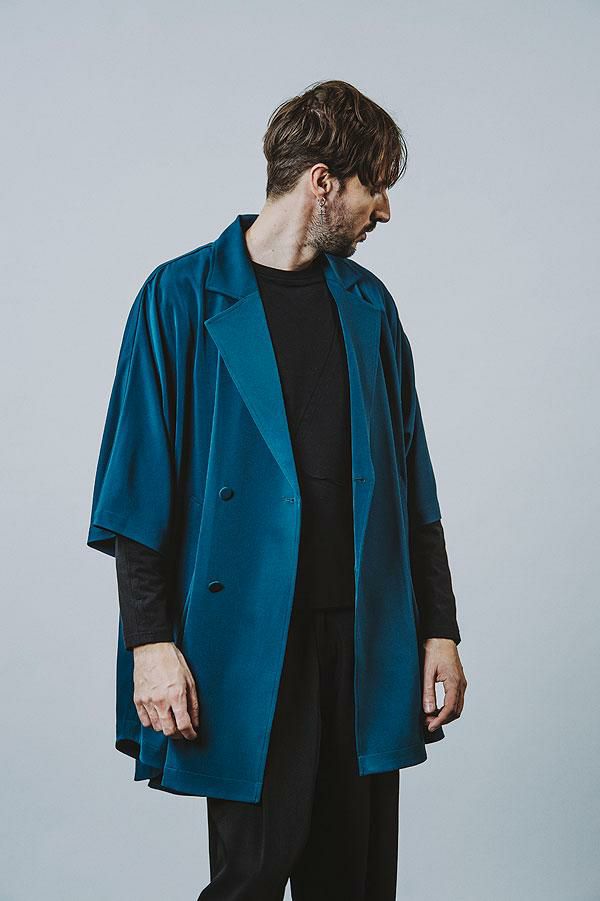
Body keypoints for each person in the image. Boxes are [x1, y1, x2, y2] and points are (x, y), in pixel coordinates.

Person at [87, 79, 467, 901]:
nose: (385, 210)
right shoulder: (180, 296)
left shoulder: (369, 306)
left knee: (356, 884)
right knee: (249, 881)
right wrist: (150, 645)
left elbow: (414, 483)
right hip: (249, 644)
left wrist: (439, 628)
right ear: (322, 181)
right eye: (374, 186)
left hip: (363, 640)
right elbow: (134, 489)